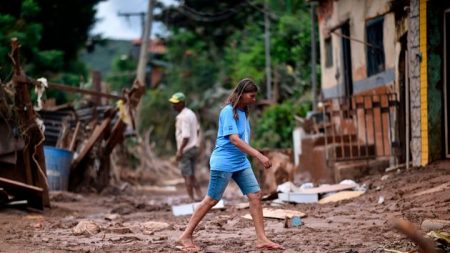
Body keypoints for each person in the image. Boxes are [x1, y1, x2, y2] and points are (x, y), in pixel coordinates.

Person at [177, 79, 284, 251]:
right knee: (212, 199)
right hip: (223, 161)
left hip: (240, 162)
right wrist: (258, 155)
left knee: (255, 195)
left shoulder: (243, 112)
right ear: (241, 95)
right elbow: (234, 139)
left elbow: (243, 139)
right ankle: (185, 235)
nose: (254, 99)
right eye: (252, 95)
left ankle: (262, 239)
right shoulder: (227, 111)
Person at [169, 92, 202, 202]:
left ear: (182, 103)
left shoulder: (182, 117)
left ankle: (191, 199)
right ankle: (200, 196)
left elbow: (186, 136)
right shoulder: (191, 113)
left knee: (186, 175)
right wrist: (195, 141)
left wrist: (180, 150)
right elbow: (197, 130)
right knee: (192, 175)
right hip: (194, 147)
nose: (174, 105)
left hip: (186, 149)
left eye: (176, 103)